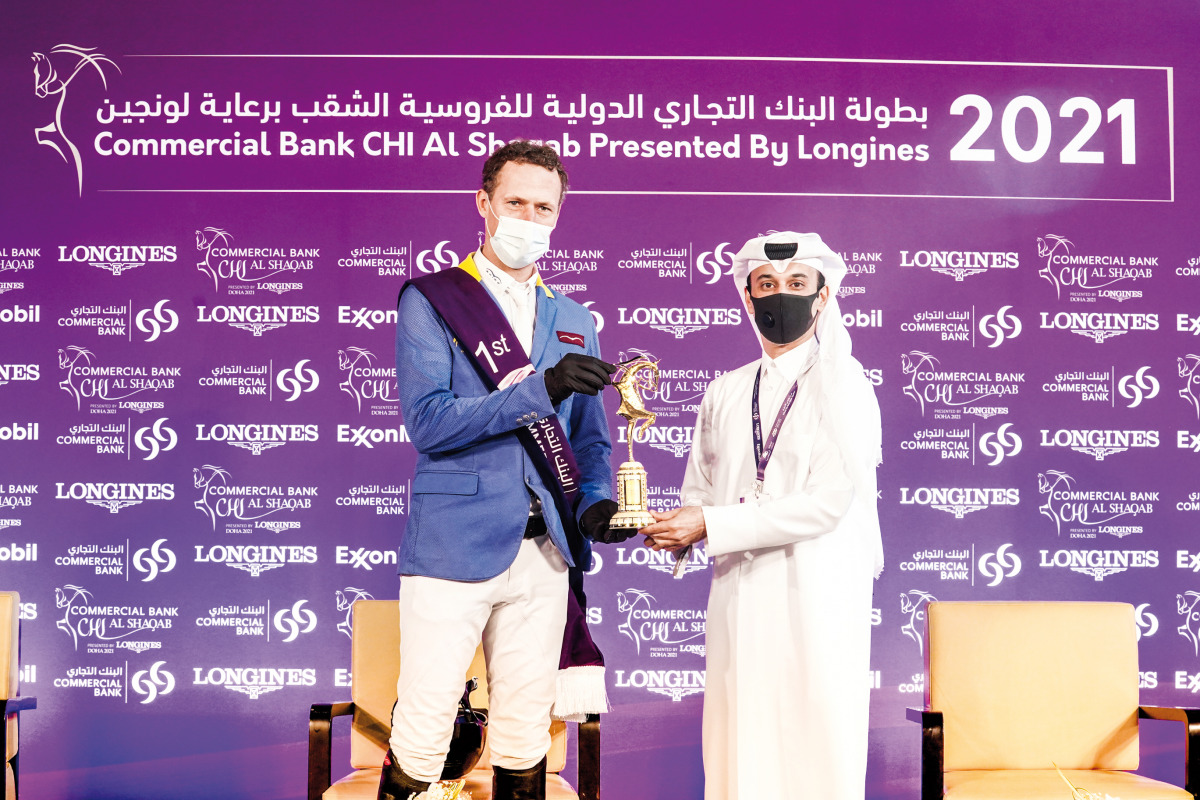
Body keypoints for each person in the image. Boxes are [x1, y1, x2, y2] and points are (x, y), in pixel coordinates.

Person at [382, 140, 628, 800]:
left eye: (543, 207)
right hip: (452, 543)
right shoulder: (432, 301)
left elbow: (591, 441)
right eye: (515, 202)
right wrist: (540, 388)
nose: (528, 217)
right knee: (424, 732)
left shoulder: (575, 320)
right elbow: (431, 422)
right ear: (483, 203)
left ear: (558, 216)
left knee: (526, 735)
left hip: (545, 550)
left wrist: (596, 503)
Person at [640, 231, 883, 800]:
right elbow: (701, 488)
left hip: (816, 596)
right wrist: (677, 532)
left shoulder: (845, 387)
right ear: (748, 298)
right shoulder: (724, 391)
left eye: (797, 284)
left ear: (823, 296)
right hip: (738, 597)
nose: (781, 296)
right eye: (767, 285)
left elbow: (828, 503)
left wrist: (710, 526)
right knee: (736, 744)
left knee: (814, 744)